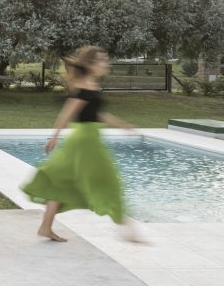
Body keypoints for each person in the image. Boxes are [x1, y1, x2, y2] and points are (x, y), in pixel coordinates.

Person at [22, 45, 140, 243]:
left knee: (62, 182)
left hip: (87, 138)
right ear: (92, 65)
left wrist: (121, 124)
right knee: (110, 181)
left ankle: (45, 227)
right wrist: (54, 137)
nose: (107, 63)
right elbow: (67, 113)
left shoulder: (91, 86)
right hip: (85, 141)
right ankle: (128, 231)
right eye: (103, 60)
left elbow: (97, 114)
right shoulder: (83, 87)